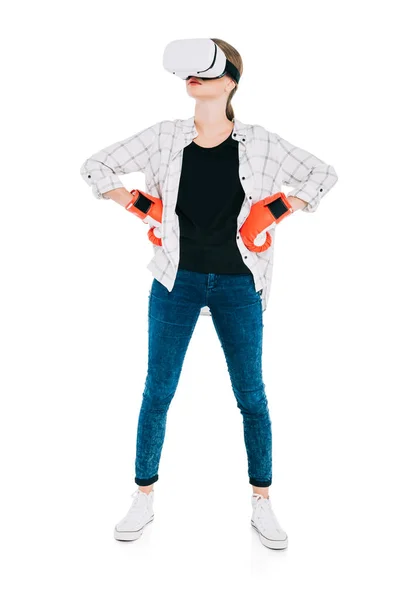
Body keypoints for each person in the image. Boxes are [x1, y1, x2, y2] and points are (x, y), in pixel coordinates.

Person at [80, 38, 338, 550]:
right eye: (188, 75)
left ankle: (262, 504)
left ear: (230, 82)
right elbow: (95, 167)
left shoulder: (261, 142)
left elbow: (324, 174)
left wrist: (278, 208)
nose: (193, 80)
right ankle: (143, 496)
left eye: (206, 72)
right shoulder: (163, 136)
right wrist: (140, 205)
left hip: (240, 285)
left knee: (251, 398)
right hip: (175, 282)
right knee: (158, 392)